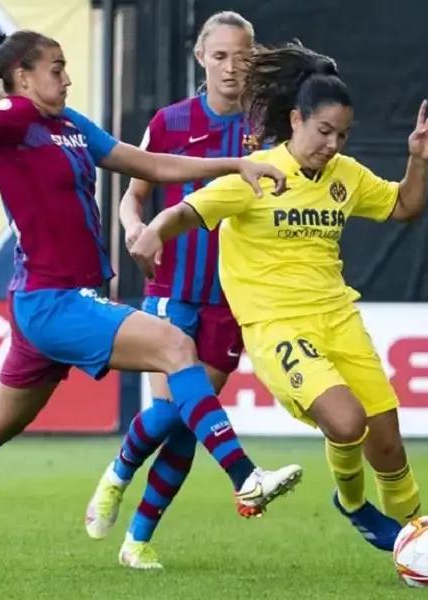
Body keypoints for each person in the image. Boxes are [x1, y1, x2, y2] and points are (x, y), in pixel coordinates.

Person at [0, 30, 302, 574]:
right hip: (54, 303)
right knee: (173, 345)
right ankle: (245, 478)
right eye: (56, 67)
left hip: (49, 302)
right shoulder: (15, 117)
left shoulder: (71, 128)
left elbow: (150, 164)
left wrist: (234, 166)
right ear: (23, 75)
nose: (67, 77)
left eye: (66, 67)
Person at [131, 41, 428, 553]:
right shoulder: (256, 173)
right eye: (324, 131)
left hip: (338, 318)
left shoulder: (345, 177)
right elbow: (187, 213)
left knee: (388, 445)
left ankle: (417, 545)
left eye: (343, 136)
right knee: (346, 422)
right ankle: (352, 505)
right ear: (296, 120)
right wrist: (152, 232)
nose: (333, 145)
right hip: (277, 328)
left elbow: (404, 207)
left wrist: (418, 160)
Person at [82, 11, 261, 570]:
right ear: (200, 58)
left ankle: (137, 539)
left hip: (231, 297)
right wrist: (134, 227)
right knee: (173, 411)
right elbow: (132, 197)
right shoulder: (169, 122)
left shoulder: (270, 128)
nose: (232, 68)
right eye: (221, 56)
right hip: (172, 289)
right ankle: (118, 474)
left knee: (185, 423)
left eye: (243, 57)